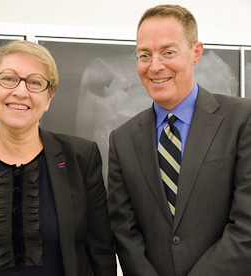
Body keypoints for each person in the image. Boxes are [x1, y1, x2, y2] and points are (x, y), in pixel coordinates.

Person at [0, 40, 116, 276]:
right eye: (9, 79)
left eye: (35, 82)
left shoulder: (81, 158)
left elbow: (101, 255)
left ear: (49, 99)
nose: (20, 92)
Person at [107, 4, 251, 276]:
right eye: (144, 55)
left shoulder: (242, 120)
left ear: (196, 53)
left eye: (168, 52)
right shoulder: (122, 140)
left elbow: (247, 225)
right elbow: (124, 232)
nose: (155, 66)